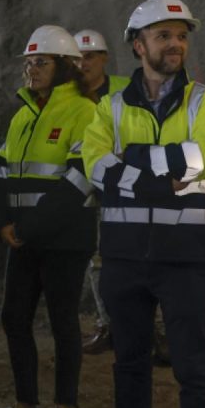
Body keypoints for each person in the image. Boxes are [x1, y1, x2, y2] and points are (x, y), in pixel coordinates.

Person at [83, 0, 205, 408]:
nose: (176, 43)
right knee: (129, 366)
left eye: (181, 36)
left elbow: (198, 158)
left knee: (195, 368)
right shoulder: (109, 108)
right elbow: (94, 165)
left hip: (188, 257)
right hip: (125, 257)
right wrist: (162, 180)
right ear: (138, 45)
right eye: (163, 35)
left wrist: (129, 161)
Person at [0, 26, 98, 408]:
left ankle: (66, 407)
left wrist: (25, 227)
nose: (32, 70)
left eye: (41, 62)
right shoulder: (22, 116)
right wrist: (2, 220)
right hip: (24, 238)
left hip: (65, 240)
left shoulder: (84, 111)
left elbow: (79, 180)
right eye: (29, 63)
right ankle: (26, 405)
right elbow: (1, 171)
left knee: (63, 322)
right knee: (13, 318)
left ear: (66, 66)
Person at [71, 28, 129, 354]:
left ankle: (147, 327)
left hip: (127, 184)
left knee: (137, 257)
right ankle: (108, 325)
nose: (84, 64)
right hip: (87, 187)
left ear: (104, 58)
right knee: (96, 259)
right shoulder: (66, 98)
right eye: (77, 58)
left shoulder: (126, 89)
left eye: (90, 56)